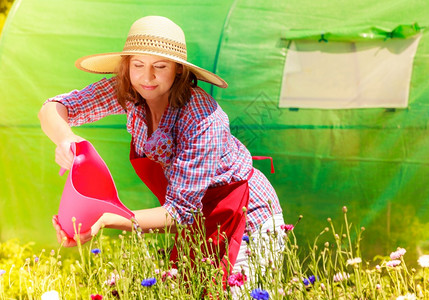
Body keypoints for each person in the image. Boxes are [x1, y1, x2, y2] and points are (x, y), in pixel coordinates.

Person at [38, 16, 284, 285]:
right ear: (127, 65)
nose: (147, 77)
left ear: (178, 69)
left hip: (246, 217)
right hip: (198, 220)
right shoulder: (129, 91)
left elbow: (179, 212)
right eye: (138, 64)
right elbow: (55, 107)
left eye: (160, 66)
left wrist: (105, 219)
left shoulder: (202, 118)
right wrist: (65, 138)